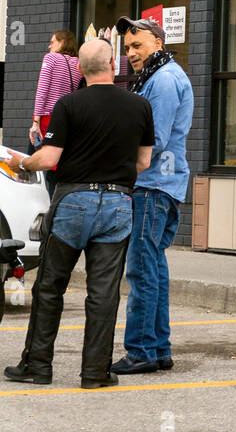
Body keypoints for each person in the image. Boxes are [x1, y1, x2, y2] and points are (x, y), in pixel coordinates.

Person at [3, 39, 154, 388]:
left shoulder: (68, 104)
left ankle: (37, 366)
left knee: (50, 287)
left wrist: (21, 161)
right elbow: (144, 162)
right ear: (113, 63)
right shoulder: (139, 105)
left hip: (73, 203)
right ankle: (95, 373)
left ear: (81, 70)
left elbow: (49, 159)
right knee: (103, 293)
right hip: (118, 204)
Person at [110, 17, 193, 375]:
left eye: (137, 45)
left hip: (154, 184)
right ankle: (158, 349)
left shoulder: (162, 80)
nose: (131, 53)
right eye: (127, 47)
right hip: (163, 184)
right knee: (153, 267)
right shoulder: (162, 75)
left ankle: (141, 350)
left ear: (157, 41)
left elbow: (153, 140)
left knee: (142, 269)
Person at [30, 31, 81, 192]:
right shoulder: (77, 63)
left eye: (53, 42)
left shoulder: (51, 58)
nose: (49, 45)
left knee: (34, 162)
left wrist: (35, 121)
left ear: (62, 42)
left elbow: (42, 90)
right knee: (59, 163)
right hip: (68, 118)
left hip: (48, 118)